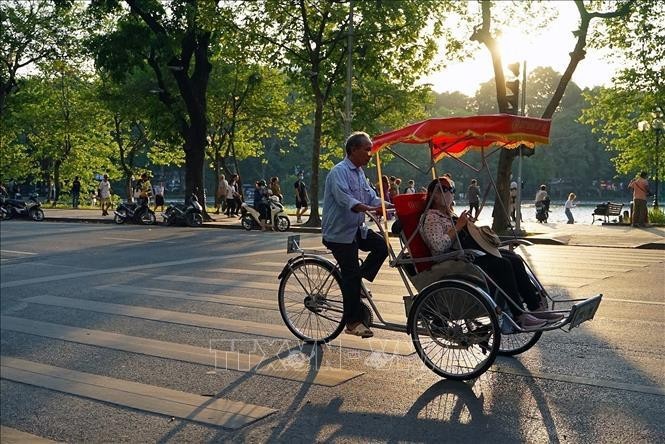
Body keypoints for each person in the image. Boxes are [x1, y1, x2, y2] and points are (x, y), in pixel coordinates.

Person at [419, 177, 562, 329]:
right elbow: (439, 245)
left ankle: (536, 308)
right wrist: (459, 226)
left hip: (469, 253)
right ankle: (519, 315)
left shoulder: (449, 214)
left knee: (514, 258)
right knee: (502, 264)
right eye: (446, 190)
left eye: (451, 190)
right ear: (434, 195)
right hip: (453, 260)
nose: (450, 194)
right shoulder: (431, 217)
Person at [322, 131, 392, 338]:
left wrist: (392, 205)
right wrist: (367, 208)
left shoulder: (360, 173)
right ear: (353, 150)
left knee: (383, 247)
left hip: (356, 230)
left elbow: (372, 196)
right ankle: (352, 322)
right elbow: (345, 200)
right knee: (350, 275)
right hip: (339, 234)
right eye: (367, 149)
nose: (370, 153)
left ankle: (357, 283)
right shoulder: (338, 172)